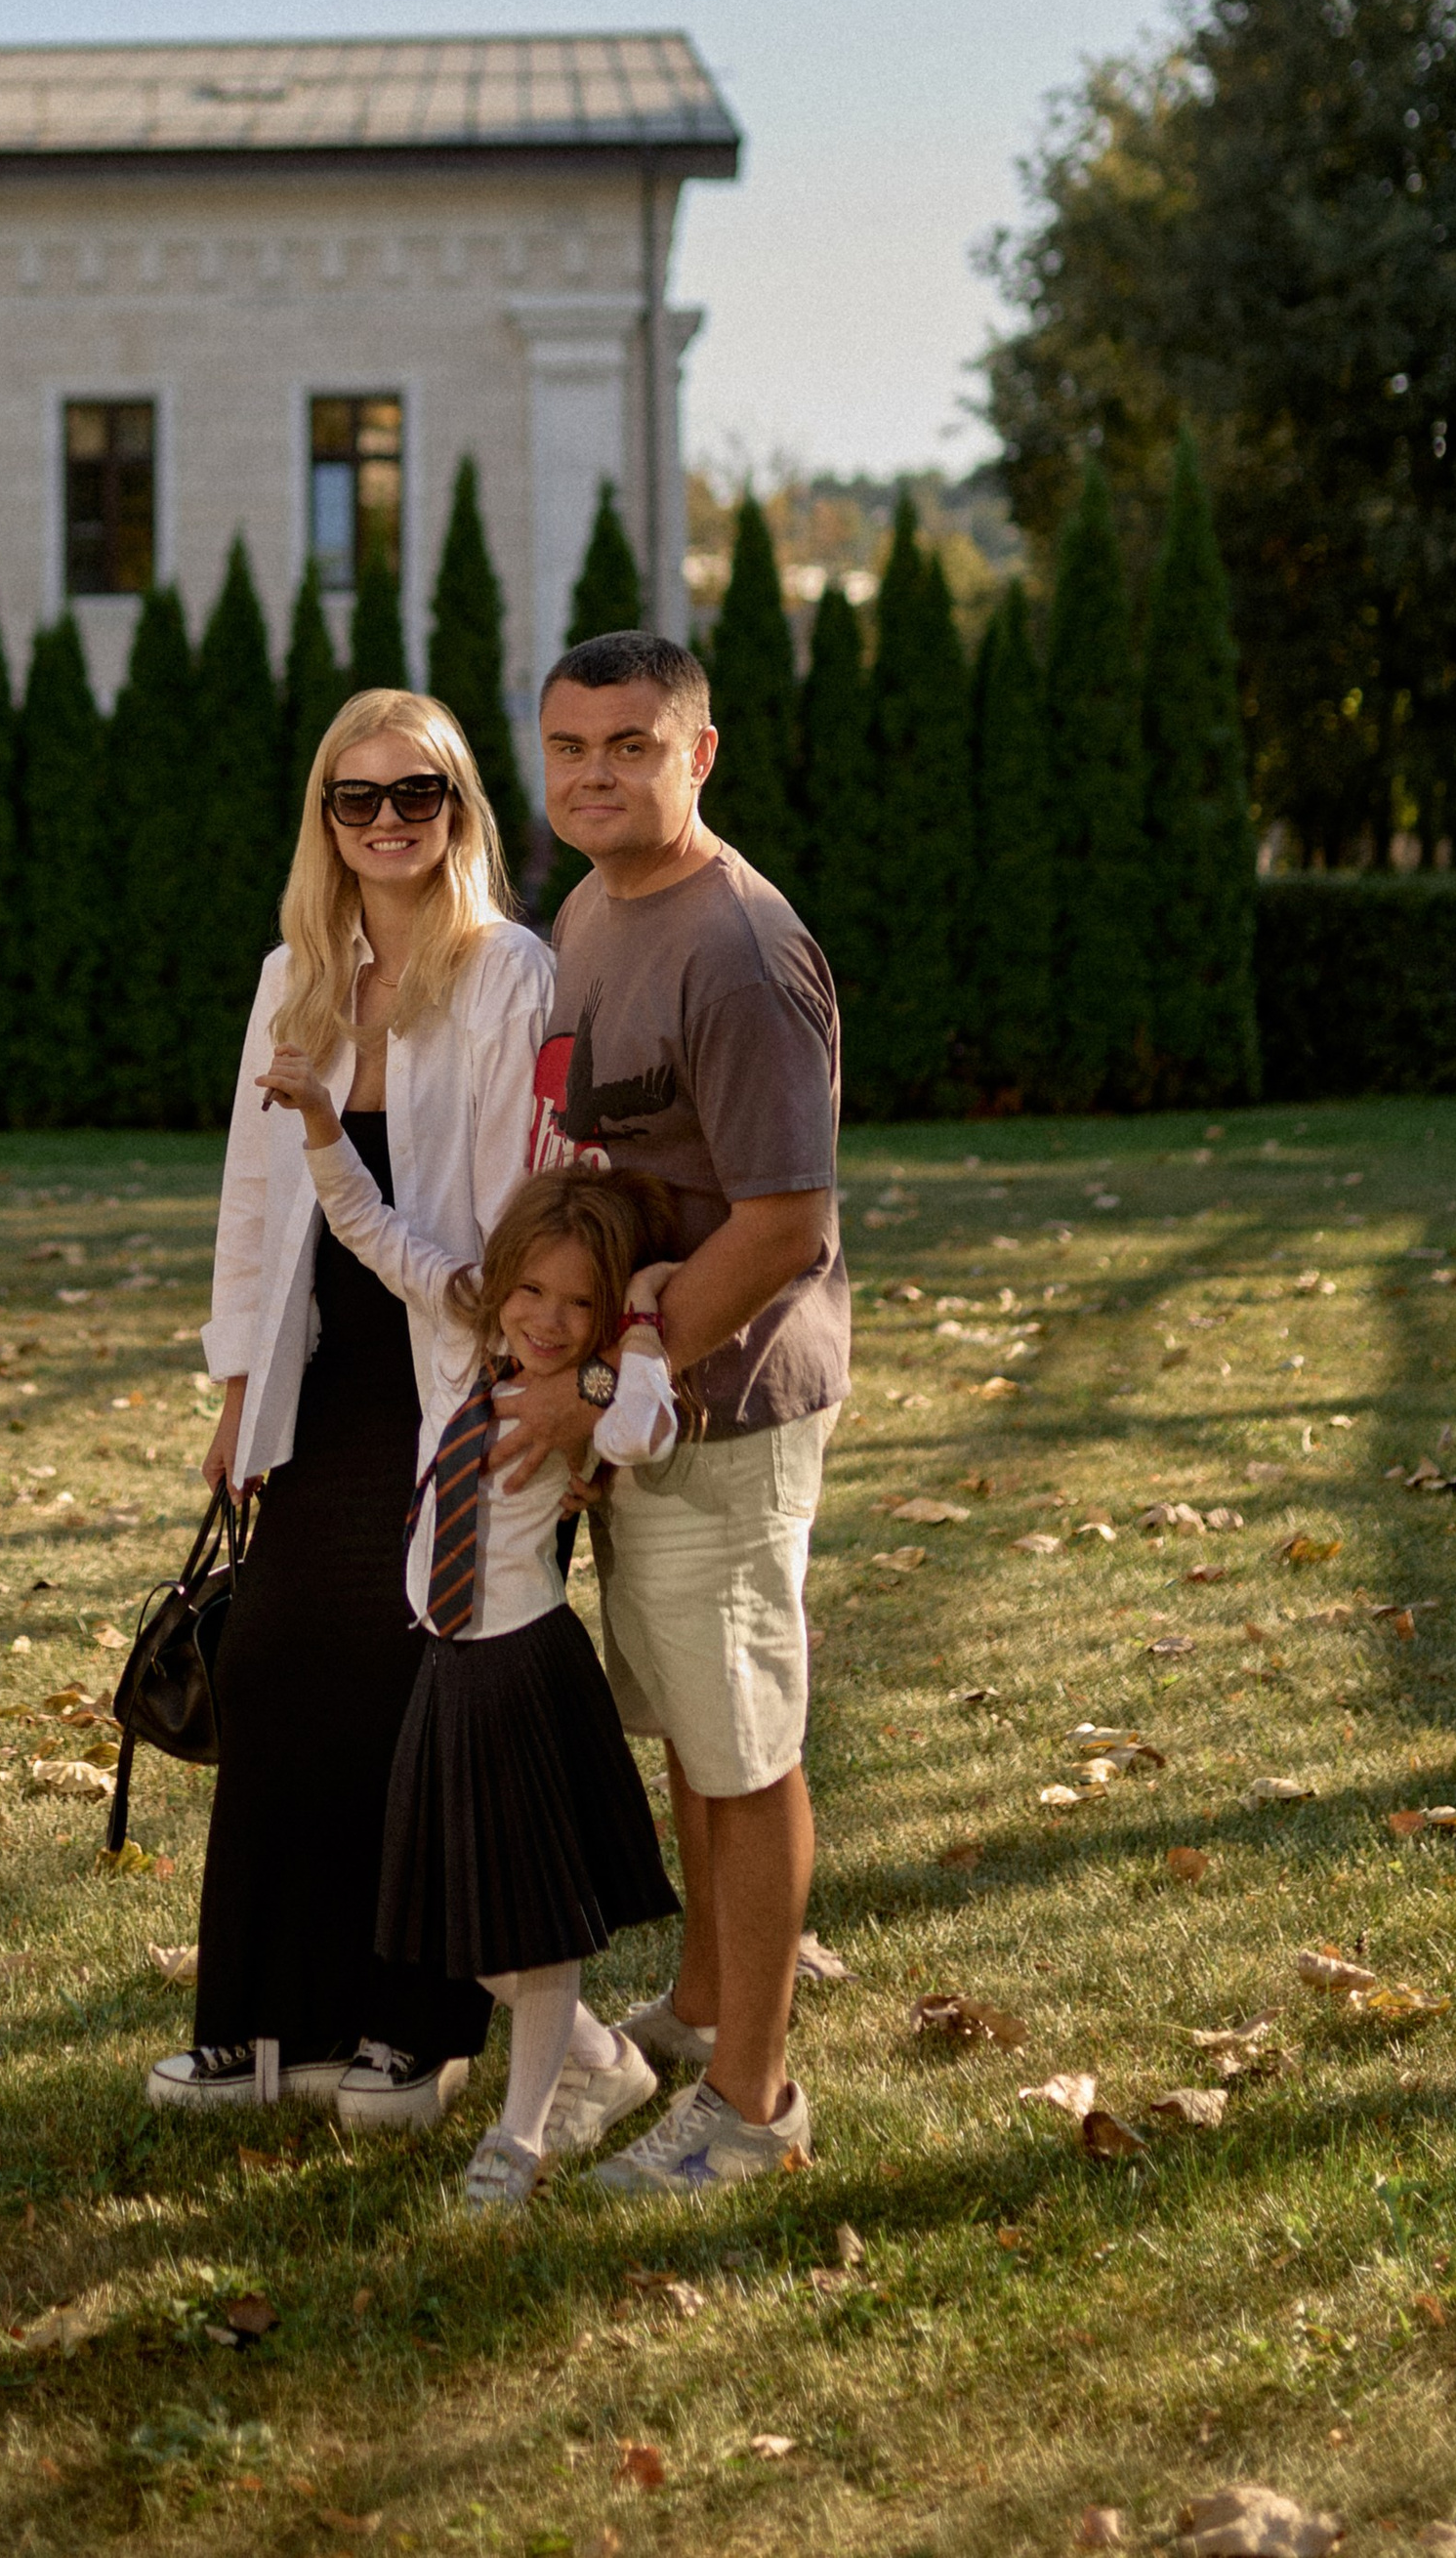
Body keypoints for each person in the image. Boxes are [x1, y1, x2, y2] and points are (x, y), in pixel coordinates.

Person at [146, 685, 553, 2127]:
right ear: (326, 819)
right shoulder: (293, 974)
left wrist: (512, 1377)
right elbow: (254, 1205)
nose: (387, 821)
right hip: (316, 1377)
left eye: (417, 794)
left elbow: (513, 1226)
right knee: (270, 1671)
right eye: (357, 798)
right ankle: (259, 2024)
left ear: (458, 809)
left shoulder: (510, 976)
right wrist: (239, 1395)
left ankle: (411, 2031)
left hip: (447, 1377)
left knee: (410, 1686)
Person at [496, 625, 848, 2200]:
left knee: (746, 1745)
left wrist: (602, 1386)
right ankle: (706, 2005)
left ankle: (755, 2103)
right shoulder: (586, 909)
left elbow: (785, 1225)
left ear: (697, 755)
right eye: (569, 748)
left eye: (630, 746)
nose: (593, 774)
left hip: (726, 1407)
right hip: (641, 1411)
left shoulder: (741, 950)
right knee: (695, 1740)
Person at [261, 1141, 683, 2209]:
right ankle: (603, 2060)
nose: (546, 1316)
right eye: (530, 1289)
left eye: (576, 1303)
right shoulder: (468, 1344)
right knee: (473, 1930)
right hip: (446, 1670)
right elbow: (373, 1230)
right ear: (499, 1289)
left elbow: (643, 1428)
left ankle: (521, 2131)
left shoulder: (583, 1392)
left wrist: (634, 1329)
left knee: (531, 1926)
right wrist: (319, 1125)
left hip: (521, 1674)